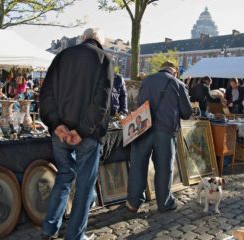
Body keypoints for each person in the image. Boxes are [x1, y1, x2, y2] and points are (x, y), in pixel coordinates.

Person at [39, 27, 114, 240]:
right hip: (86, 135)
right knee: (83, 185)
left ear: (83, 38)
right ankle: (75, 236)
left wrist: (57, 124)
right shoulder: (104, 59)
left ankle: (49, 228)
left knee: (64, 176)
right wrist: (80, 131)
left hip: (64, 132)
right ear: (100, 41)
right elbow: (102, 101)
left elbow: (46, 94)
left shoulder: (62, 56)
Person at [126, 61, 192, 212]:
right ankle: (164, 203)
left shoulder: (146, 80)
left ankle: (133, 202)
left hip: (143, 127)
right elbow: (187, 113)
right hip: (165, 130)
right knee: (164, 168)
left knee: (138, 165)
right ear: (174, 71)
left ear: (161, 68)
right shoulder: (178, 84)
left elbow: (139, 103)